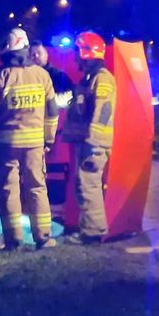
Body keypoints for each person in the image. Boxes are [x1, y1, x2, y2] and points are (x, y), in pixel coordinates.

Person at [0, 28, 59, 250]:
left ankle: (14, 239)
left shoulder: (0, 76)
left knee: (8, 189)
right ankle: (44, 236)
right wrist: (49, 140)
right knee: (37, 188)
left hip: (6, 145)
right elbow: (52, 112)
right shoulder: (42, 75)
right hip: (34, 145)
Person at [62, 31, 116, 243]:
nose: (75, 56)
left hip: (94, 143)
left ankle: (93, 233)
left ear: (86, 53)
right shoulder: (90, 78)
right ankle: (92, 228)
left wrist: (93, 141)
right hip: (88, 141)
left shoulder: (101, 78)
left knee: (88, 184)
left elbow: (103, 111)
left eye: (77, 51)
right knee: (84, 184)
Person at [31, 41, 74, 109]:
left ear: (46, 55)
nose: (36, 56)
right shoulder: (26, 77)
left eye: (39, 53)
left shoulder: (59, 76)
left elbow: (68, 98)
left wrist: (45, 102)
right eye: (32, 54)